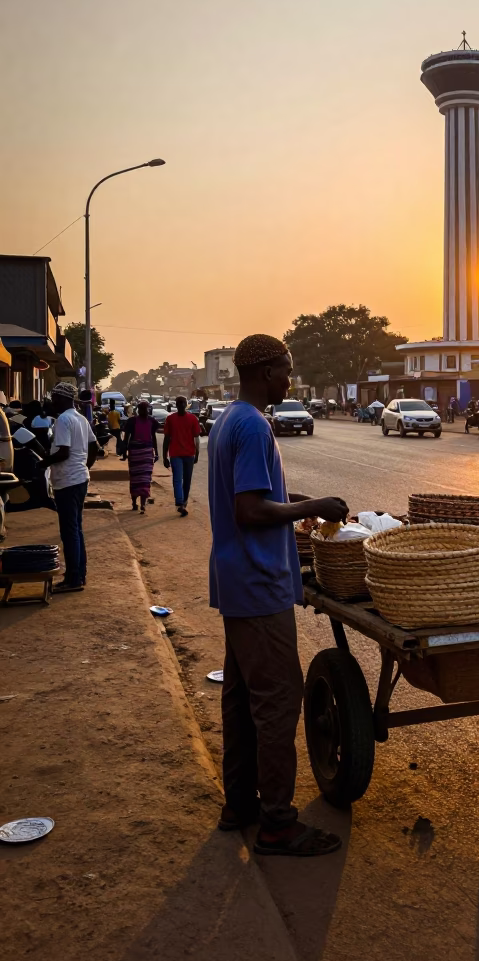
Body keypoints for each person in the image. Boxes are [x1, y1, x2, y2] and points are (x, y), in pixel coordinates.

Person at [208, 333, 347, 857]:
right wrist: (302, 509)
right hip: (258, 582)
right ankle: (278, 824)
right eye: (286, 369)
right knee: (277, 703)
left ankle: (238, 804)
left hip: (237, 580)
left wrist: (308, 503)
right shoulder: (252, 425)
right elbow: (251, 510)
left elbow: (262, 496)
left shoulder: (229, 419)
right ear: (266, 372)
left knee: (242, 700)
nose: (291, 378)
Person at [41, 381, 98, 592]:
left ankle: (74, 578)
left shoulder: (64, 419)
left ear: (65, 399)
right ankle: (79, 574)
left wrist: (42, 463)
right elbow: (94, 446)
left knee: (70, 531)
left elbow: (63, 452)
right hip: (79, 479)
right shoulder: (81, 418)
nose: (53, 402)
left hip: (68, 481)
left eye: (55, 398)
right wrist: (85, 466)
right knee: (76, 529)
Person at [162, 395, 201, 517]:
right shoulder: (192, 418)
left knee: (178, 479)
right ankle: (182, 503)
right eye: (181, 402)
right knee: (185, 480)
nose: (181, 405)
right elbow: (197, 439)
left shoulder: (171, 419)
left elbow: (166, 439)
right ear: (185, 404)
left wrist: (165, 456)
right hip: (187, 454)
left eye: (181, 402)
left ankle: (181, 503)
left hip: (178, 454)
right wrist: (197, 453)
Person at [121, 401, 159, 511]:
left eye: (146, 409)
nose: (145, 411)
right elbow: (126, 438)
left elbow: (154, 437)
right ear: (139, 410)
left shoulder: (152, 421)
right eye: (143, 409)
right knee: (135, 478)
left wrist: (156, 452)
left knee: (145, 478)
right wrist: (124, 452)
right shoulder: (132, 421)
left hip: (147, 453)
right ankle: (134, 502)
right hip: (135, 453)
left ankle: (142, 504)